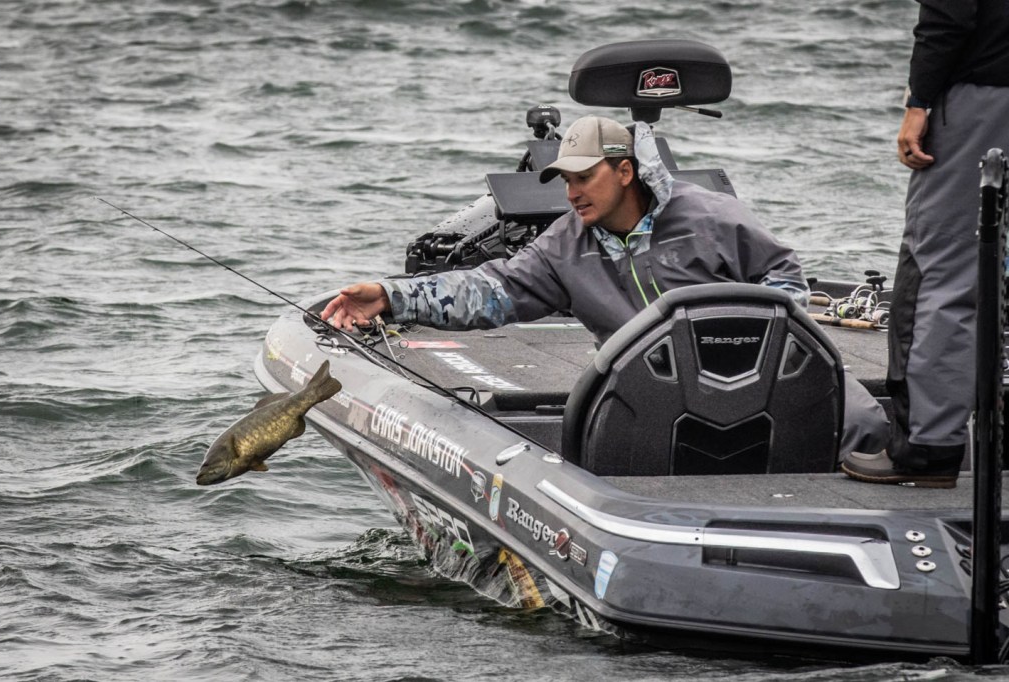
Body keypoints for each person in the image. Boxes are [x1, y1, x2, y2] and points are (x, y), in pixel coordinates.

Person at [323, 115, 890, 459]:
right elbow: (488, 290)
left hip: (755, 375)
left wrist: (759, 352)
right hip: (654, 392)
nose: (572, 193)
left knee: (864, 422)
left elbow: (784, 280)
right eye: (565, 180)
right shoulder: (563, 246)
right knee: (596, 448)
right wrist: (391, 296)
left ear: (624, 171)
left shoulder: (714, 217)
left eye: (584, 177)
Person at [841, 0, 1009, 489]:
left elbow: (948, 17)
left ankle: (927, 446)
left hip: (984, 98)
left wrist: (918, 104)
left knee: (941, 272)